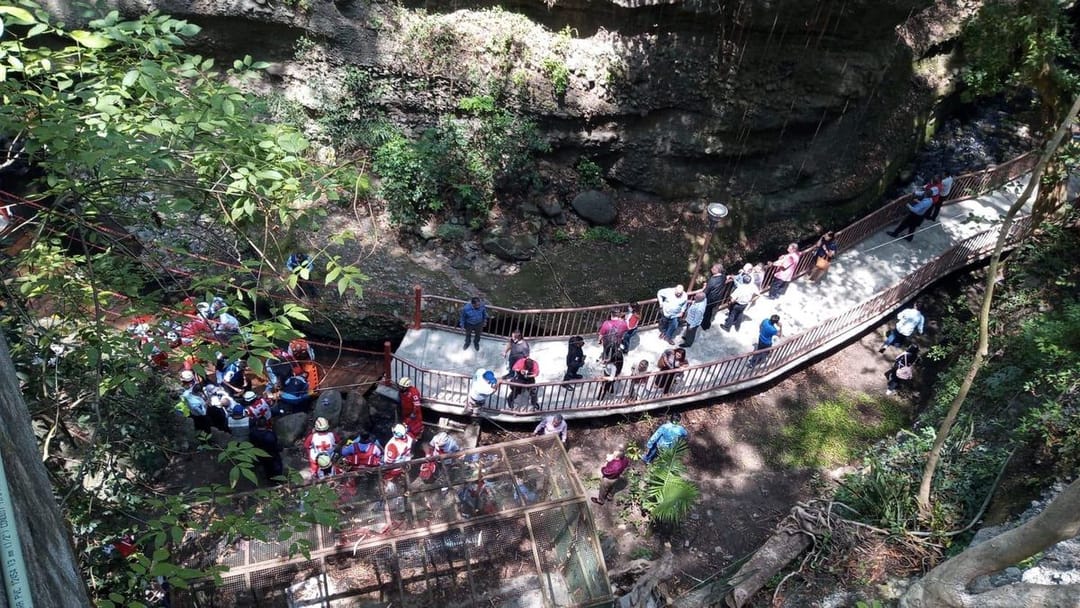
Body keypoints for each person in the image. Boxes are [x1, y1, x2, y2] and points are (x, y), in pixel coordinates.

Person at [179, 370, 213, 435]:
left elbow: (203, 413)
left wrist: (206, 403)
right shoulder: (196, 386)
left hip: (199, 413)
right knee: (201, 425)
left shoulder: (189, 394)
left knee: (203, 426)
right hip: (199, 412)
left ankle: (206, 437)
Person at [701, 264, 728, 331]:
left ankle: (705, 325)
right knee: (709, 311)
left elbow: (706, 291)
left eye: (713, 268)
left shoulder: (713, 280)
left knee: (707, 312)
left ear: (717, 270)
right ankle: (707, 324)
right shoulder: (723, 277)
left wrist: (704, 287)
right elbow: (726, 278)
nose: (711, 269)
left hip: (710, 299)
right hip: (717, 298)